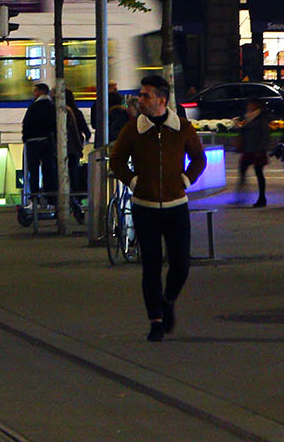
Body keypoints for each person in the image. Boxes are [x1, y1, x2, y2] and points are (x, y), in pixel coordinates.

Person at [108, 73, 206, 341]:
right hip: (145, 207)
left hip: (176, 206)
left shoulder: (182, 128)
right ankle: (155, 321)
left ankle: (168, 299)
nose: (140, 99)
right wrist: (134, 181)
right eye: (141, 95)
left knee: (181, 265)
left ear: (161, 100)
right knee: (150, 266)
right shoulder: (133, 129)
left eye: (146, 95)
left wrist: (185, 179)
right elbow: (116, 161)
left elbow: (199, 159)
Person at [20, 82, 59, 212]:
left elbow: (27, 124)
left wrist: (25, 138)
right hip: (47, 142)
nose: (33, 93)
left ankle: (34, 200)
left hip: (33, 143)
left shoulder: (34, 106)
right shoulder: (52, 106)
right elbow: (54, 125)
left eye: (35, 91)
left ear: (40, 92)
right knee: (49, 172)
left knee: (33, 172)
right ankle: (51, 200)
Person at [235, 99, 273, 206]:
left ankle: (261, 197)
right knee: (243, 170)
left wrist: (261, 148)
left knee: (259, 173)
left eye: (251, 104)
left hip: (257, 150)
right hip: (249, 149)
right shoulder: (248, 116)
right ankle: (242, 195)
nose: (248, 106)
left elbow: (265, 135)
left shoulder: (260, 118)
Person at [64, 88, 92, 218]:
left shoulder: (62, 112)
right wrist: (81, 146)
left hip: (62, 150)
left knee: (63, 175)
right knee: (73, 174)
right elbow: (85, 131)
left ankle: (68, 201)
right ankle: (76, 200)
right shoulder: (76, 112)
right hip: (73, 150)